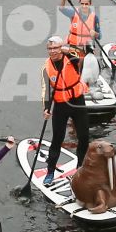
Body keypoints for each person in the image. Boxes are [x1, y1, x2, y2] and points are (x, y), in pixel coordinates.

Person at [40, 36, 90, 181]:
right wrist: (47, 107)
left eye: (56, 48)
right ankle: (50, 172)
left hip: (77, 102)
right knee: (57, 139)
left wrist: (67, 50)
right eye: (50, 49)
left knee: (84, 137)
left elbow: (81, 54)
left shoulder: (72, 59)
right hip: (61, 105)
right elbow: (46, 89)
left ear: (61, 48)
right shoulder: (46, 67)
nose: (53, 51)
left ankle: (80, 167)